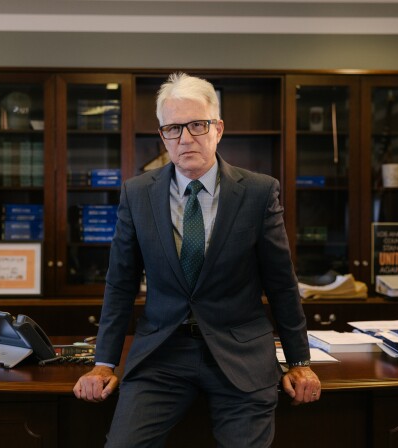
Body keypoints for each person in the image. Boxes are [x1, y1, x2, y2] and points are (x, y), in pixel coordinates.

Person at [74, 72, 321, 447]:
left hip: (240, 355)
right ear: (162, 136)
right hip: (162, 356)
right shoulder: (137, 194)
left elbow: (282, 284)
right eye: (173, 128)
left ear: (218, 129)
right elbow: (120, 283)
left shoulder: (257, 192)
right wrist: (103, 362)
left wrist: (299, 361)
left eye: (197, 125)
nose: (186, 138)